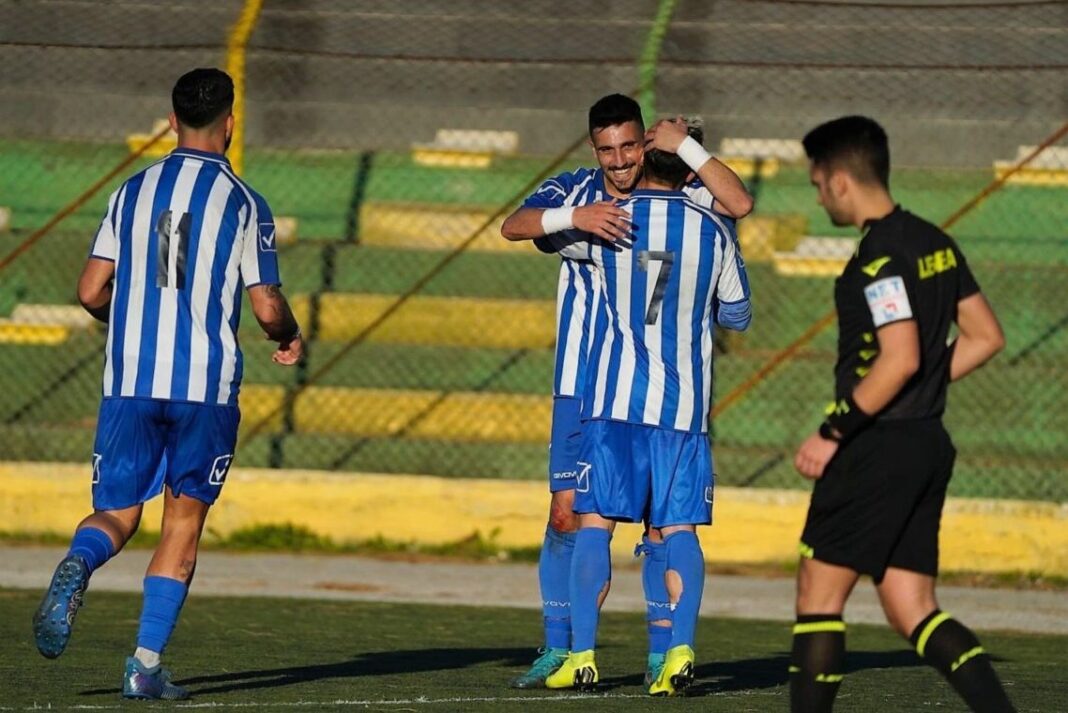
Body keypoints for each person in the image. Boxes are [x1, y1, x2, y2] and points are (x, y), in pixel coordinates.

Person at [31, 68, 303, 701]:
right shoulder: (243, 201)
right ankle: (144, 665)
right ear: (231, 123)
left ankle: (82, 560)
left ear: (172, 118)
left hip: (129, 378)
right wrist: (287, 335)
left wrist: (123, 321)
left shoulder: (131, 192)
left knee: (117, 512)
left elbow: (90, 289)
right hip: (203, 388)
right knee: (181, 524)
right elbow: (265, 306)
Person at [500, 94, 752, 689]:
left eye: (629, 147)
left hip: (635, 388)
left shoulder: (683, 199)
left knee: (650, 526)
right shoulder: (575, 192)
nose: (618, 161)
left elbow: (737, 201)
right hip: (581, 381)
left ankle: (658, 653)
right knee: (568, 513)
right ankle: (560, 647)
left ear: (646, 144)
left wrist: (687, 145)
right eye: (607, 150)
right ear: (594, 150)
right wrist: (574, 219)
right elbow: (513, 225)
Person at [789, 115, 1014, 713]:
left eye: (816, 184)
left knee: (818, 594)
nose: (818, 197)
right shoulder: (934, 241)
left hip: (875, 447)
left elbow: (900, 357)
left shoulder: (879, 256)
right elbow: (986, 336)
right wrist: (915, 388)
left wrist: (833, 431)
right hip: (926, 443)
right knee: (911, 607)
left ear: (839, 181)